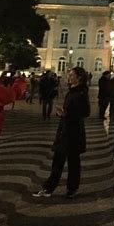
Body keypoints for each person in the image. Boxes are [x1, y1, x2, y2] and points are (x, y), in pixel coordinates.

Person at [32, 66, 90, 199]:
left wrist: (66, 114)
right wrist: (63, 113)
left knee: (72, 162)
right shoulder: (72, 91)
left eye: (71, 75)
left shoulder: (81, 92)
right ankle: (50, 188)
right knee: (59, 161)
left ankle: (70, 189)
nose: (69, 77)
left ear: (79, 77)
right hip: (65, 130)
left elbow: (85, 112)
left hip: (74, 132)